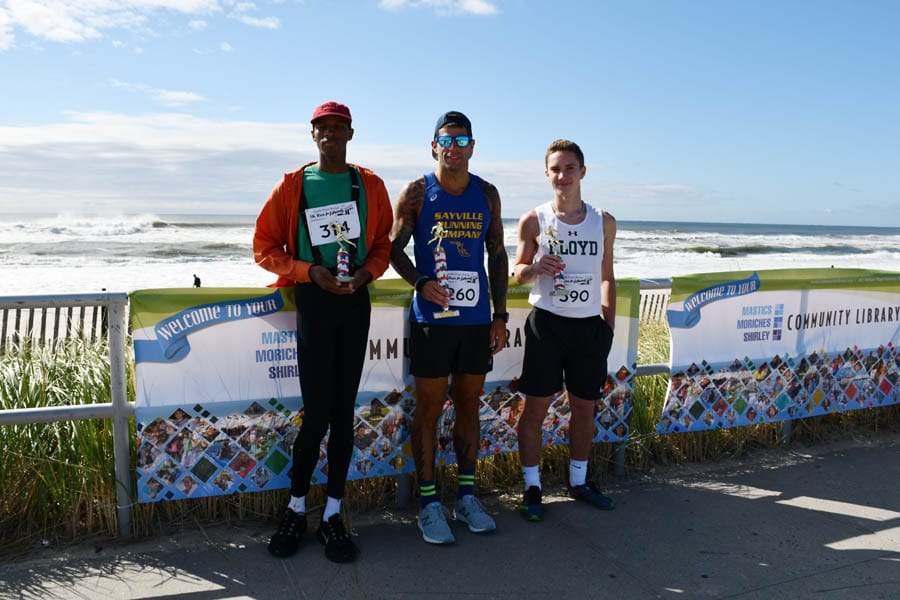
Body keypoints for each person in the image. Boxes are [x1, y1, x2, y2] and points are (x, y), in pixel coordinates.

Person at [253, 101, 393, 562]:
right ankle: (296, 509)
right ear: (312, 134)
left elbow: (381, 245)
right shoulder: (293, 185)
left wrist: (365, 275)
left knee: (343, 412)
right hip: (313, 299)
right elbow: (264, 247)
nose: (330, 134)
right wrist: (307, 271)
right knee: (315, 414)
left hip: (354, 300)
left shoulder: (370, 185)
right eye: (323, 128)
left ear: (351, 133)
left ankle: (333, 514)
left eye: (338, 127)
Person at [390, 110, 509, 544]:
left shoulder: (487, 194)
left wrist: (500, 315)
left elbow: (497, 254)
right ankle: (428, 504)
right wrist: (421, 282)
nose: (453, 148)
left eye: (461, 141)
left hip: (475, 322)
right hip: (432, 322)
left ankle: (467, 498)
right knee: (428, 410)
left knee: (469, 406)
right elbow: (392, 250)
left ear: (472, 147)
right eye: (446, 140)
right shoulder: (418, 192)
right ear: (434, 146)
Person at [513, 139, 617, 521]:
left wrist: (608, 325)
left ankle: (578, 481)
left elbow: (607, 275)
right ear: (546, 174)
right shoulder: (534, 219)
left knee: (584, 408)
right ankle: (532, 488)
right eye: (555, 169)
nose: (563, 176)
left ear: (582, 172)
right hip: (547, 325)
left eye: (569, 168)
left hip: (588, 327)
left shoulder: (603, 221)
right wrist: (535, 267)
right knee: (535, 410)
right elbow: (518, 272)